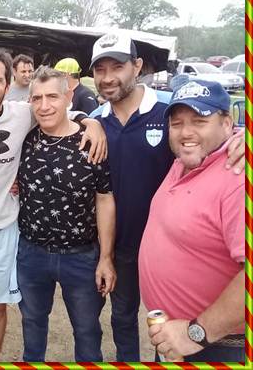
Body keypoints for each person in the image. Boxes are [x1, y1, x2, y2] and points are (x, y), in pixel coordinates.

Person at [0, 47, 107, 361]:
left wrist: (91, 123)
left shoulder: (23, 114)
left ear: (8, 84)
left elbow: (59, 109)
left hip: (3, 231)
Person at [88, 33, 245, 361]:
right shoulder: (98, 119)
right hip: (118, 246)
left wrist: (243, 135)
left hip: (215, 339)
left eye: (117, 67)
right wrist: (85, 119)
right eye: (100, 70)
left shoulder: (166, 112)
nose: (108, 77)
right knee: (123, 319)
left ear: (137, 66)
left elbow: (207, 137)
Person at [139, 80, 244, 362]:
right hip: (174, 334)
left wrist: (197, 333)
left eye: (199, 121)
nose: (185, 132)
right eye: (177, 123)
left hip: (217, 345)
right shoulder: (186, 160)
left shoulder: (238, 176)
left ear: (226, 124)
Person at [17, 66, 116, 361]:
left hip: (81, 256)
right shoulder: (25, 138)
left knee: (87, 331)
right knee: (32, 324)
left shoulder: (91, 141)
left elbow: (105, 199)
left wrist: (106, 257)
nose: (44, 106)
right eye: (36, 98)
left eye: (52, 97)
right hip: (32, 254)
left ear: (68, 97)